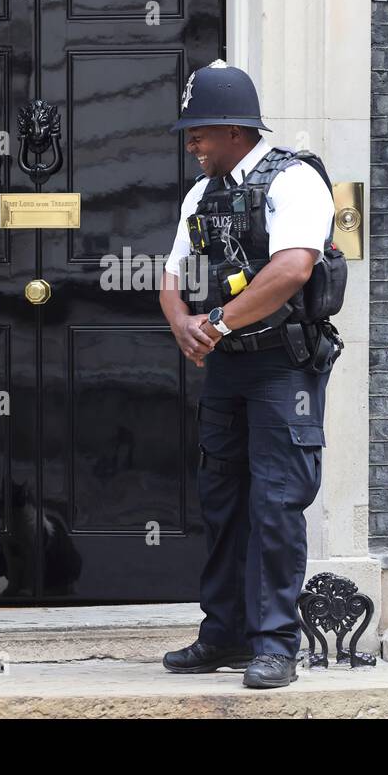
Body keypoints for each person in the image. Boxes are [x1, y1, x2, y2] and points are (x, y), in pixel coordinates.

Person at [158, 60, 338, 689]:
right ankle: (224, 633)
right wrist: (182, 322)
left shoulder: (295, 181)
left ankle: (274, 644)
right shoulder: (200, 194)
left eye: (198, 133)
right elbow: (172, 275)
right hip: (227, 367)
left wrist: (218, 323)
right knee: (223, 501)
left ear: (233, 129)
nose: (191, 144)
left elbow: (291, 269)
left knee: (275, 503)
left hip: (282, 368)